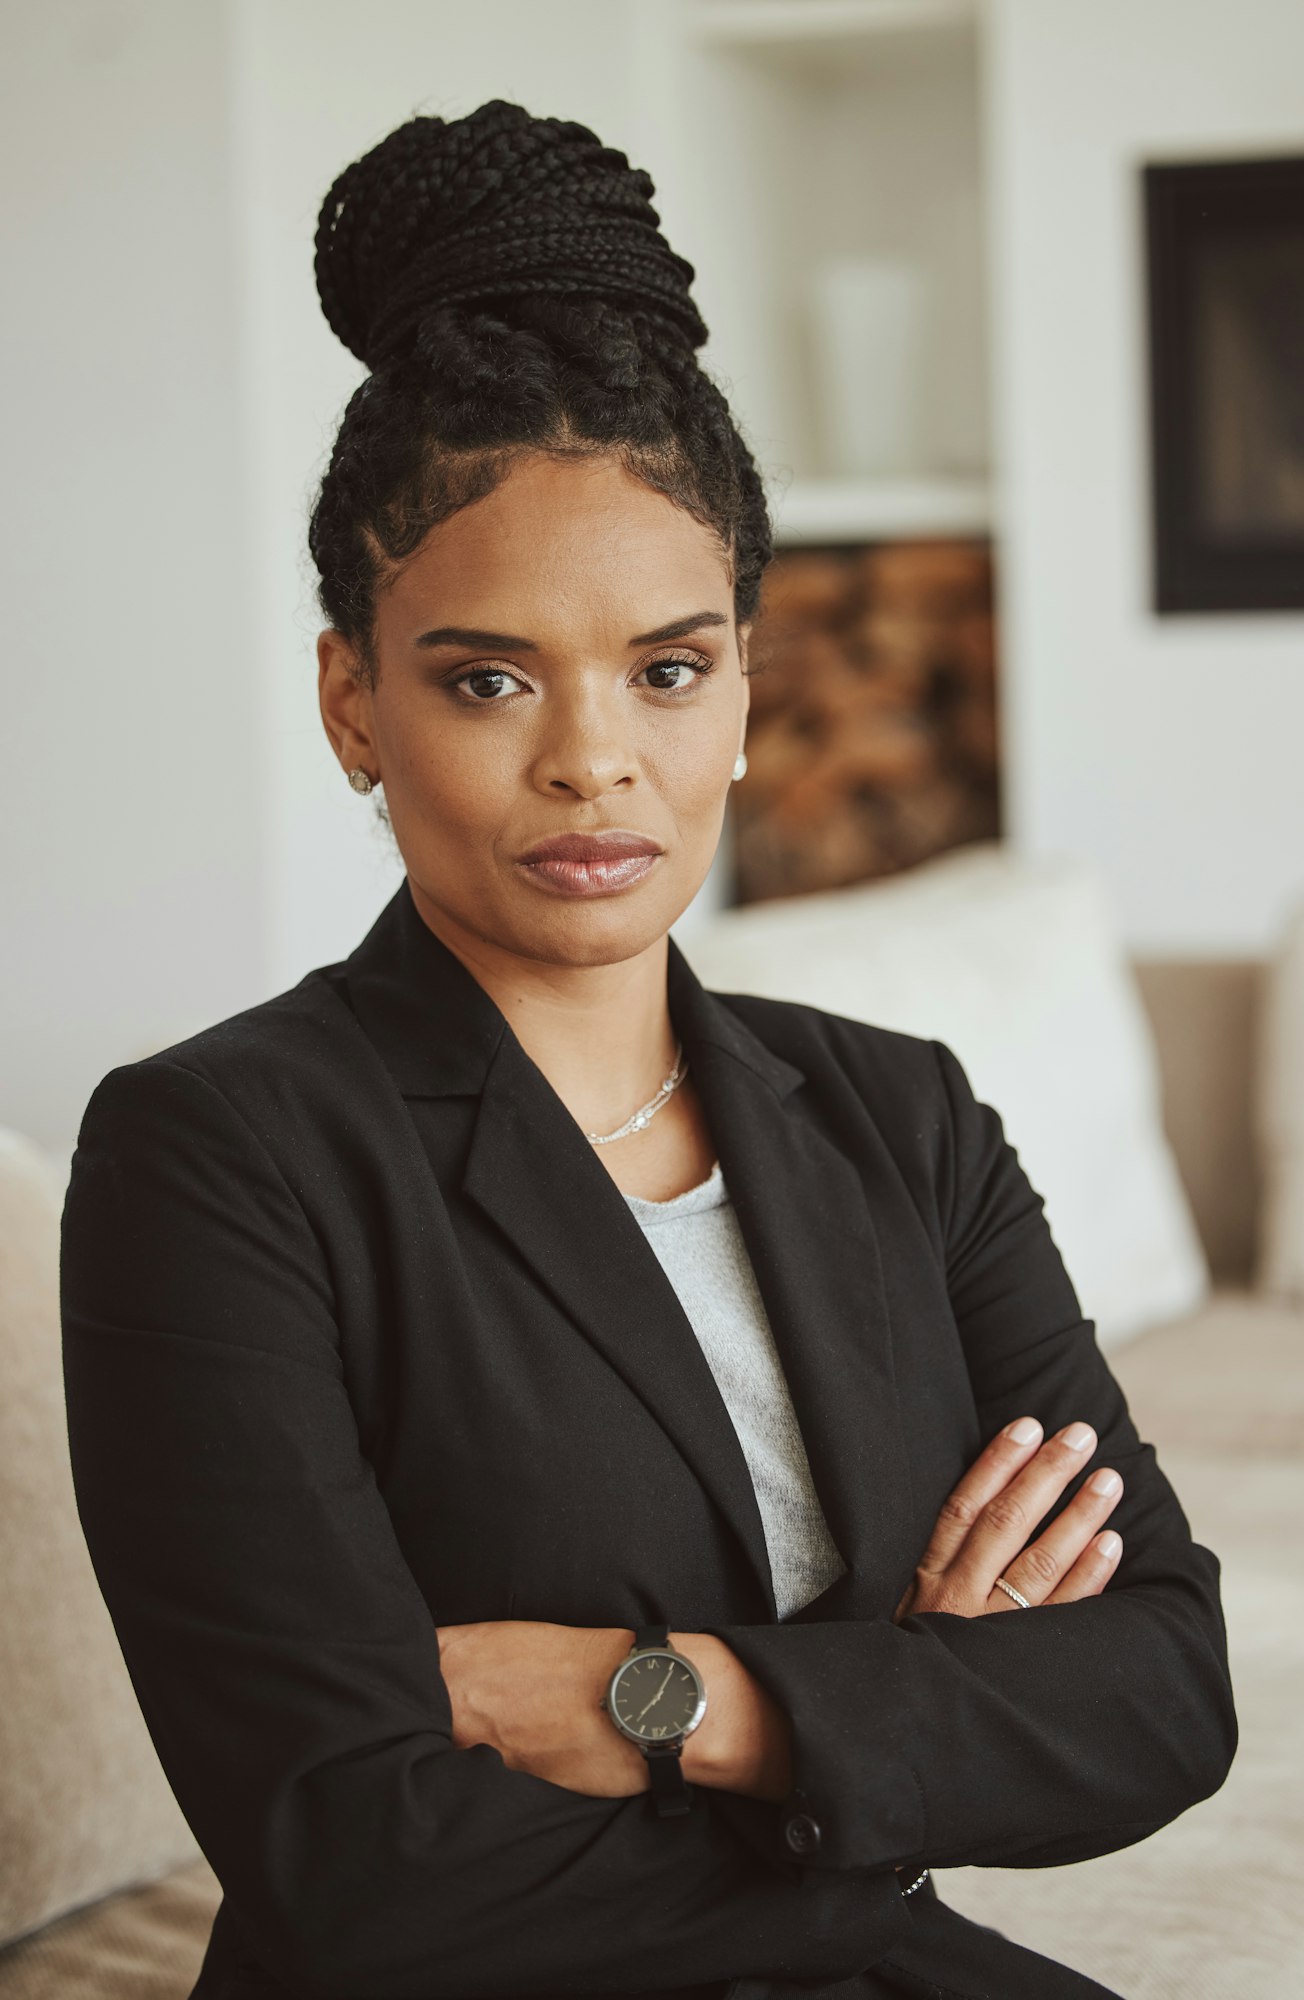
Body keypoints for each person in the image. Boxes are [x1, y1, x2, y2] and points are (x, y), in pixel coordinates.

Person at [60, 101, 1235, 2000]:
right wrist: (907, 1742)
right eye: (486, 677)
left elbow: (1164, 1688)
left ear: (749, 692)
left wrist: (676, 1706)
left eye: (667, 669)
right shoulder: (216, 1155)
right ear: (353, 699)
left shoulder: (898, 1115)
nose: (592, 759)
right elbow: (353, 1860)